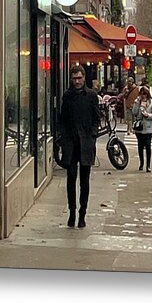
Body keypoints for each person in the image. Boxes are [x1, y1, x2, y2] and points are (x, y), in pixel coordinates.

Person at [57, 64, 101, 229]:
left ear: (84, 78)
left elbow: (96, 118)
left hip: (86, 143)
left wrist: (92, 135)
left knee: (85, 181)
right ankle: (72, 212)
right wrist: (62, 137)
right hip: (70, 143)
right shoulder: (67, 96)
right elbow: (62, 118)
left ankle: (82, 213)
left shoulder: (91, 96)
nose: (77, 81)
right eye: (74, 79)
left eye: (79, 78)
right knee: (71, 179)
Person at [131, 86, 152, 172]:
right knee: (140, 146)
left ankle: (148, 165)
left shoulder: (151, 102)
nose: (143, 96)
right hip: (140, 127)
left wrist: (147, 115)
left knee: (148, 146)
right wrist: (137, 104)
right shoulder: (137, 101)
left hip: (148, 127)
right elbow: (134, 112)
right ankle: (141, 163)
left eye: (145, 94)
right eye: (141, 94)